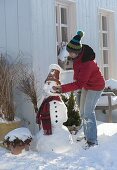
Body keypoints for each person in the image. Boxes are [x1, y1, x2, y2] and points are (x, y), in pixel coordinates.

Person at [53, 31, 105, 148]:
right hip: (87, 85)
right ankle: (87, 135)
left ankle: (92, 140)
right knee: (82, 112)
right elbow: (78, 78)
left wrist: (62, 89)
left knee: (88, 112)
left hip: (96, 86)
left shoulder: (87, 63)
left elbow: (79, 82)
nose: (69, 54)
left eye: (71, 53)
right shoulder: (77, 58)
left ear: (77, 52)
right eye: (69, 52)